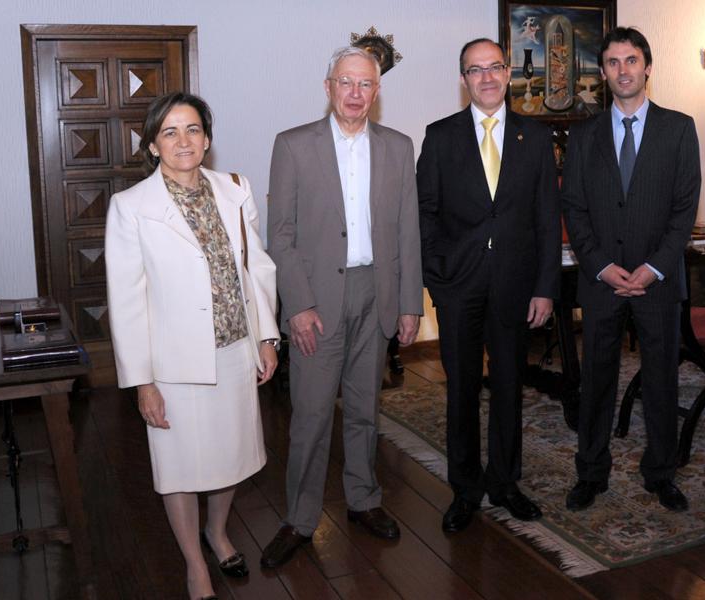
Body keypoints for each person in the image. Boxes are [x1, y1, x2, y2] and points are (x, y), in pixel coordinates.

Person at [105, 91, 280, 600]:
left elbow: (257, 269)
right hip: (172, 366)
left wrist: (267, 336)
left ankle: (218, 531)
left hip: (235, 349)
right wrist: (143, 382)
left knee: (231, 456)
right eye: (170, 132)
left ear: (208, 137)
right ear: (154, 145)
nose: (184, 141)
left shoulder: (234, 188)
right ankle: (192, 562)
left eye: (194, 129)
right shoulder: (131, 208)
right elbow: (127, 302)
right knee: (179, 466)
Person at [262, 46, 422, 567]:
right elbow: (280, 236)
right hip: (318, 303)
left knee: (364, 411)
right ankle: (300, 518)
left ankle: (363, 499)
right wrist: (298, 306)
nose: (356, 94)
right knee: (310, 415)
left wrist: (408, 302)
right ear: (328, 86)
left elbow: (408, 233)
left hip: (376, 295)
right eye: (346, 83)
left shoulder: (398, 147)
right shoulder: (293, 146)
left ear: (377, 92)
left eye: (366, 85)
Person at [417, 38, 560, 532]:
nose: (487, 78)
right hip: (458, 286)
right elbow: (425, 213)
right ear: (463, 80)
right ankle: (465, 489)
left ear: (508, 73)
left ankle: (504, 483)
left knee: (507, 387)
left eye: (494, 67)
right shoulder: (440, 136)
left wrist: (545, 287)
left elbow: (547, 216)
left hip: (516, 286)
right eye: (475, 71)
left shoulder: (536, 138)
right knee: (460, 389)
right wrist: (436, 277)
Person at [561, 27, 701, 513]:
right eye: (613, 62)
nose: (623, 70)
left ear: (648, 67)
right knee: (595, 381)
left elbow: (685, 210)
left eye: (631, 60)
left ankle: (661, 473)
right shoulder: (582, 137)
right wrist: (600, 267)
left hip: (657, 284)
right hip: (601, 283)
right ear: (602, 73)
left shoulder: (679, 128)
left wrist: (653, 268)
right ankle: (591, 473)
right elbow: (574, 209)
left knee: (662, 382)